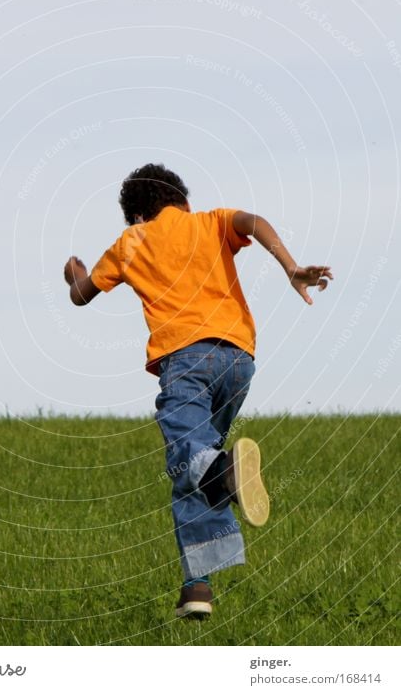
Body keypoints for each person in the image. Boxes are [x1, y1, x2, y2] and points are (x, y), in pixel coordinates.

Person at [63, 163, 332, 618]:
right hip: (239, 360)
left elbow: (81, 295)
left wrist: (75, 272)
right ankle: (197, 590)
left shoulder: (131, 242)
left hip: (185, 362)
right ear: (182, 201)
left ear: (135, 217)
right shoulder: (209, 221)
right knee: (193, 466)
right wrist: (290, 267)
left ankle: (224, 471)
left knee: (196, 459)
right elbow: (254, 222)